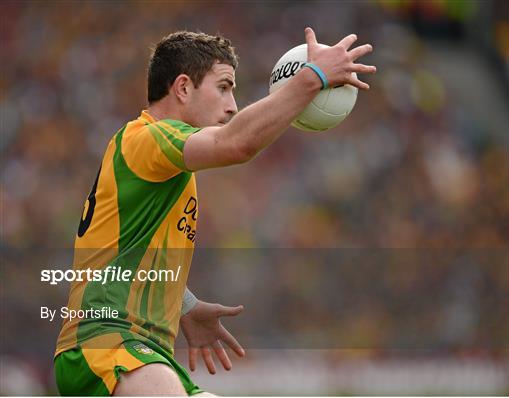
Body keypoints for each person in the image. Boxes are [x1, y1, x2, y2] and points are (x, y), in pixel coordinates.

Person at [54, 27, 376, 396]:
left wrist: (184, 304)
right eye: (223, 87)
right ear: (183, 88)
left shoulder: (166, 163)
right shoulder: (148, 138)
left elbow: (125, 249)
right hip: (109, 345)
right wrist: (312, 77)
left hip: (139, 351)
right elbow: (237, 143)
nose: (232, 105)